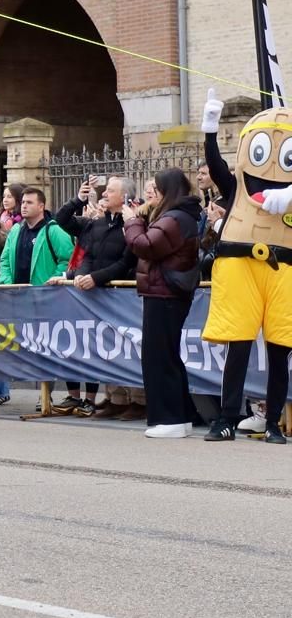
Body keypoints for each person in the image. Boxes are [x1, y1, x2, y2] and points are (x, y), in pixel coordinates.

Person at [197, 92, 292, 443]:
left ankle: (273, 423)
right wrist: (210, 129)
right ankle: (226, 418)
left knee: (281, 349)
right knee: (238, 344)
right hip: (241, 265)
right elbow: (217, 166)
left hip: (284, 271)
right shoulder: (236, 186)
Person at [122, 168, 203, 440]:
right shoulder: (178, 216)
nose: (151, 194)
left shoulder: (176, 218)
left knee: (159, 358)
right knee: (166, 356)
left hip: (165, 293)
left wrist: (132, 221)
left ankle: (169, 418)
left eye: (156, 189)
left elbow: (145, 245)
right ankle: (180, 417)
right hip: (165, 292)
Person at [48, 175, 137, 416]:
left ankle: (137, 401)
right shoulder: (97, 223)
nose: (105, 194)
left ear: (125, 197)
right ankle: (115, 399)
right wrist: (78, 276)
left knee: (124, 348)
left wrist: (95, 278)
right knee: (102, 349)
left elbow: (125, 262)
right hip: (93, 295)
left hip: (118, 295)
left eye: (111, 190)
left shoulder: (132, 225)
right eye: (105, 190)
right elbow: (87, 253)